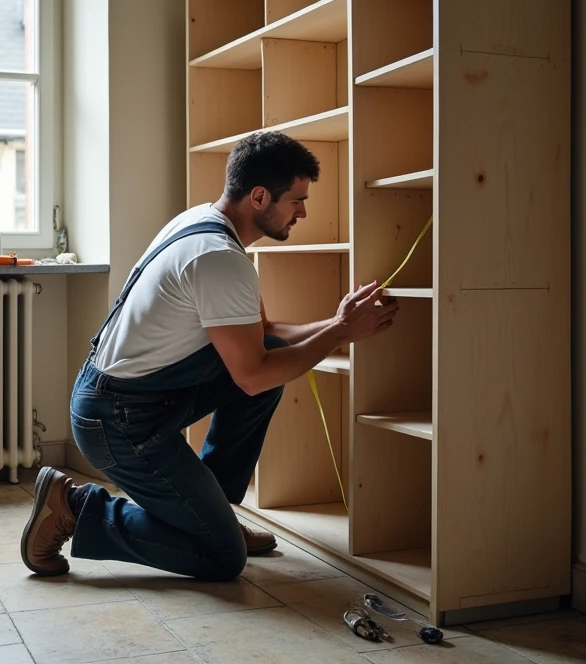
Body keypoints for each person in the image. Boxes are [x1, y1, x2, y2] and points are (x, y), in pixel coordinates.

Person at [20, 131, 399, 581]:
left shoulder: (202, 224)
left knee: (275, 355)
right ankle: (73, 508)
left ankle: (210, 510)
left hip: (128, 400)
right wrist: (339, 331)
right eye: (296, 200)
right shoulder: (220, 259)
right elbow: (252, 377)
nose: (303, 211)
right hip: (118, 421)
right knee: (222, 557)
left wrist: (340, 325)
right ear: (260, 197)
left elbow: (264, 335)